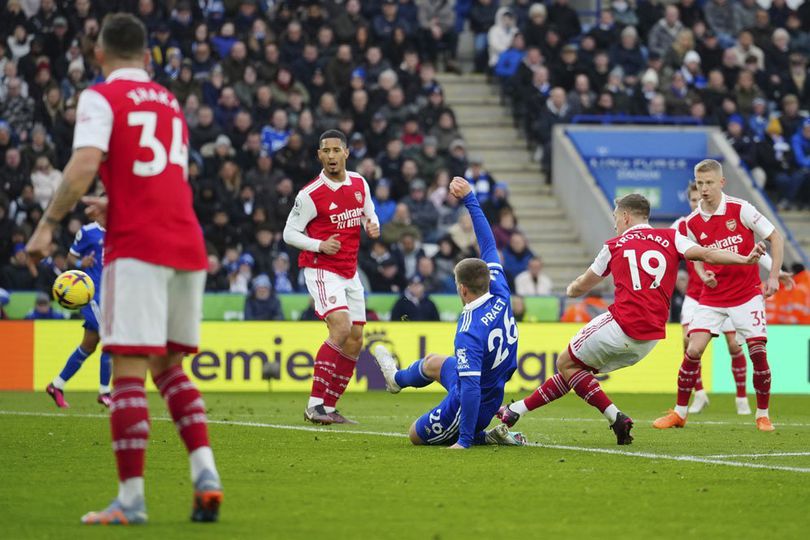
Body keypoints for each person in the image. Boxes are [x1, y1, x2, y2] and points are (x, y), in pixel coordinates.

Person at [25, 14, 222, 525]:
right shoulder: (169, 102)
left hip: (138, 248)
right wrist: (117, 204)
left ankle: (131, 500)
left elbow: (86, 161)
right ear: (148, 55)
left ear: (99, 55)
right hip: (186, 242)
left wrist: (48, 224)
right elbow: (159, 175)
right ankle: (205, 475)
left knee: (130, 374)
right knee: (170, 369)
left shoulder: (100, 96)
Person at [496, 193, 764, 445]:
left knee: (564, 362)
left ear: (626, 217)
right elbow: (707, 254)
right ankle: (514, 411)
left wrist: (571, 289)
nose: (614, 224)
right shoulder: (672, 237)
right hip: (649, 340)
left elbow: (582, 285)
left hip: (621, 326)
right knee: (576, 372)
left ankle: (615, 417)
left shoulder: (614, 246)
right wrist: (744, 259)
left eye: (615, 217)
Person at [372, 177, 525, 449]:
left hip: (475, 403)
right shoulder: (500, 289)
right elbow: (488, 245)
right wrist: (470, 199)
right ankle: (395, 380)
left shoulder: (469, 329)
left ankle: (478, 435)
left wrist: (464, 441)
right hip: (491, 383)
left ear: (463, 290)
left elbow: (470, 390)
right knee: (432, 362)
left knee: (414, 435)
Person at [654, 159, 792, 432]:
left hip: (746, 294)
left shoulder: (742, 210)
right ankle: (680, 412)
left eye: (709, 183)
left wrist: (774, 276)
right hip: (712, 297)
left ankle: (762, 414)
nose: (704, 189)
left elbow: (776, 237)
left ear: (721, 183)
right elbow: (694, 254)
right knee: (693, 349)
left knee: (757, 352)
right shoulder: (691, 222)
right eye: (700, 183)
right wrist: (703, 273)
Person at [283, 129, 380, 425]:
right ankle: (313, 405)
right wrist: (319, 245)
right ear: (319, 156)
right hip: (322, 268)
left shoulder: (359, 183)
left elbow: (369, 213)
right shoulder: (310, 194)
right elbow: (289, 233)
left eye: (337, 150)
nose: (331, 156)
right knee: (340, 327)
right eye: (326, 151)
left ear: (347, 153)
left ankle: (329, 407)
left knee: (355, 339)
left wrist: (372, 224)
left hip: (350, 271)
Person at [671, 182, 768, 415]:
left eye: (699, 199)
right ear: (689, 201)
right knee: (689, 344)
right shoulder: (682, 225)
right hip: (697, 296)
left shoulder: (725, 218)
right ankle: (699, 395)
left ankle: (742, 398)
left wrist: (776, 270)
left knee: (734, 346)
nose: (697, 203)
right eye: (693, 200)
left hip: (731, 294)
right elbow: (667, 249)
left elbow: (750, 247)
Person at [45, 221, 112, 409]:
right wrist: (82, 263)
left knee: (88, 345)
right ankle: (105, 392)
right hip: (93, 294)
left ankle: (56, 385)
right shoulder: (89, 231)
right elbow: (70, 259)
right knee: (111, 339)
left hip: (113, 294)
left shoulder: (122, 227)